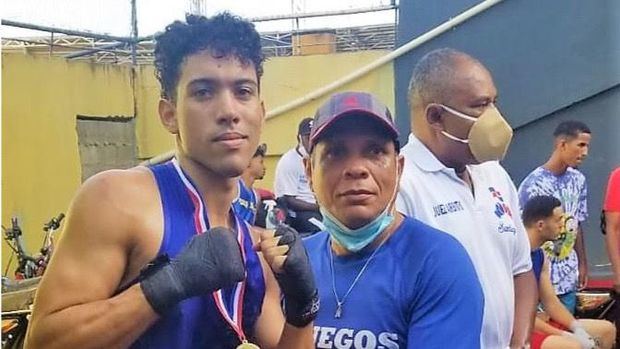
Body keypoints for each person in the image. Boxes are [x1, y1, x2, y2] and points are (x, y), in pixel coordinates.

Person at [25, 13, 318, 349]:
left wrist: (303, 306)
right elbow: (42, 342)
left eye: (243, 91)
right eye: (204, 92)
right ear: (169, 114)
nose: (228, 110)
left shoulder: (251, 244)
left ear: (261, 113)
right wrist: (166, 284)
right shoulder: (117, 199)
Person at [303, 91, 484, 348]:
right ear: (309, 171)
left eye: (375, 151)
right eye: (336, 153)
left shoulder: (437, 263)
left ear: (398, 169)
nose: (356, 168)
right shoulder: (295, 265)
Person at [395, 48, 537, 348]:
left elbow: (521, 270)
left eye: (494, 103)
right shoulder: (402, 187)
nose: (495, 119)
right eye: (480, 106)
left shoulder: (494, 175)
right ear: (436, 116)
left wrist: (519, 342)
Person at [523, 195, 616, 349]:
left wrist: (576, 329)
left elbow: (551, 303)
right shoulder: (517, 256)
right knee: (572, 346)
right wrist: (563, 335)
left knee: (606, 330)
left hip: (539, 321)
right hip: (520, 329)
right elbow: (517, 315)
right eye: (558, 220)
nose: (563, 225)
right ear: (540, 225)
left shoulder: (540, 255)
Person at [518, 121, 592, 314]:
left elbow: (577, 222)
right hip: (541, 280)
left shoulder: (579, 180)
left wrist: (583, 262)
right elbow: (523, 233)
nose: (585, 152)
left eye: (587, 146)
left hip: (569, 276)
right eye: (581, 145)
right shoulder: (533, 185)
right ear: (562, 144)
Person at [274, 117, 322, 235]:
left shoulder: (320, 158)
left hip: (320, 208)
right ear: (299, 138)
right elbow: (289, 200)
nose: (311, 141)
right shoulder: (289, 161)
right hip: (299, 212)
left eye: (314, 136)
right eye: (307, 137)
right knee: (322, 231)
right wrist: (319, 207)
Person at [234, 143, 267, 224]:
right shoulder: (234, 187)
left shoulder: (256, 197)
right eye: (261, 162)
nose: (264, 167)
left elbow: (251, 227)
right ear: (248, 162)